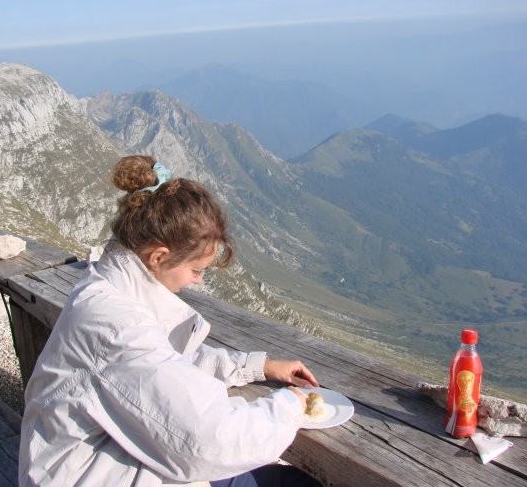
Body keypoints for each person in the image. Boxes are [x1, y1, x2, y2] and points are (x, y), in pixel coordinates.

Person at [19, 155, 323, 487]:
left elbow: (166, 361)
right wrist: (290, 405)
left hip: (98, 465)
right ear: (159, 256)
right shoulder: (116, 326)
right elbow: (205, 442)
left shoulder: (112, 289)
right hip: (90, 476)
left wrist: (256, 367)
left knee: (281, 479)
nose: (197, 282)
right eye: (196, 270)